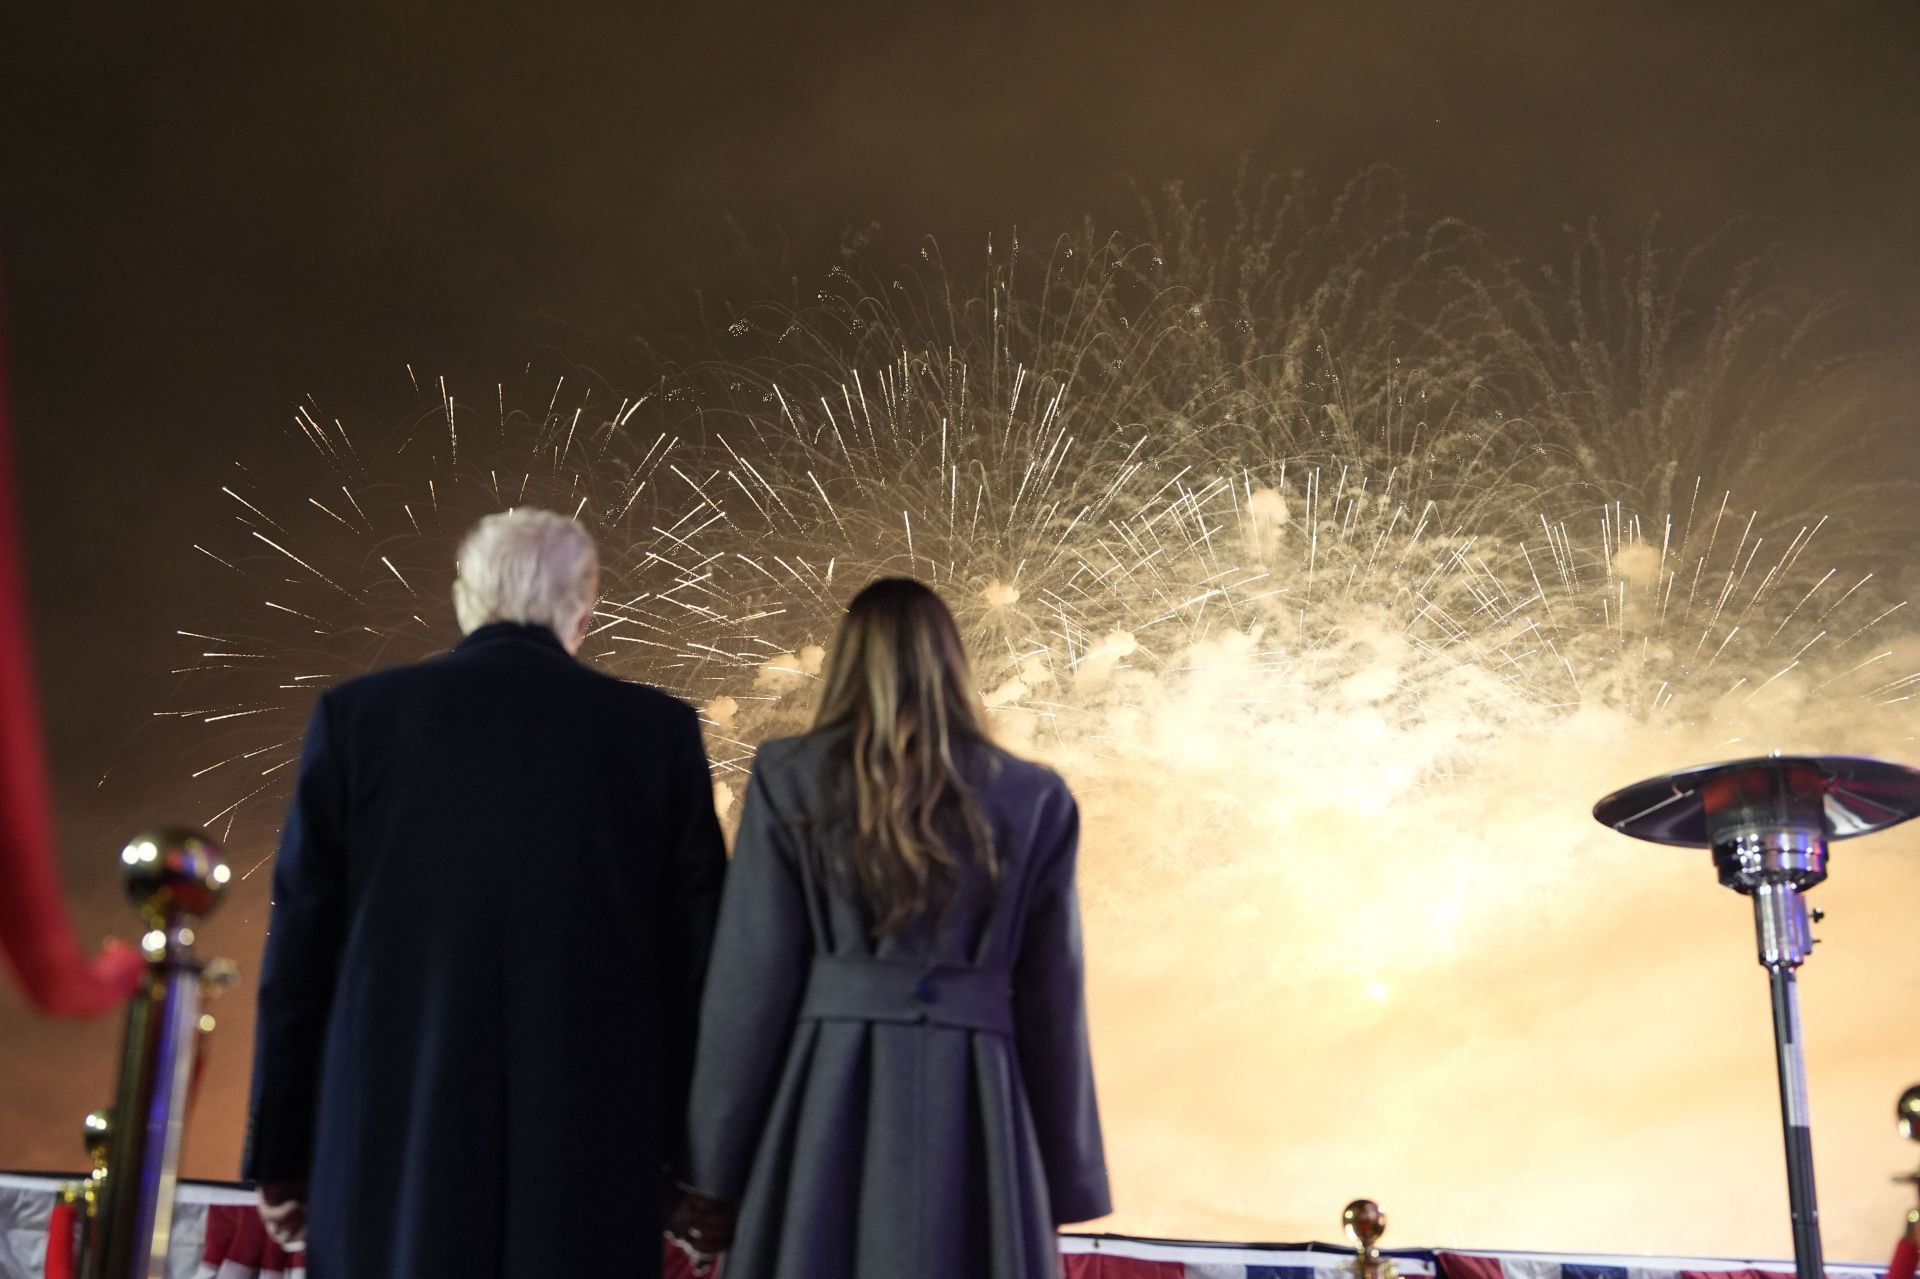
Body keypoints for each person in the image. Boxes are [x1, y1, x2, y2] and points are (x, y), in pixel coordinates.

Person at [243, 508, 727, 1279]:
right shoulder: (656, 733)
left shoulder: (356, 719)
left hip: (390, 1143)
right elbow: (699, 967)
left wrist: (282, 1153)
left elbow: (301, 951)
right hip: (595, 1147)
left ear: (466, 596)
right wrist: (700, 1166)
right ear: (587, 606)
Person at [674, 577, 1110, 1279]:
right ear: (955, 664)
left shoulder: (790, 778)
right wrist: (1059, 1176)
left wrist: (711, 1169)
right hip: (980, 1104)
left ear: (847, 661)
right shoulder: (1036, 797)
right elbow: (1052, 1000)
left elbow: (748, 985)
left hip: (824, 1098)